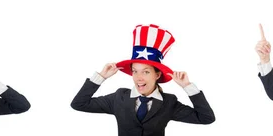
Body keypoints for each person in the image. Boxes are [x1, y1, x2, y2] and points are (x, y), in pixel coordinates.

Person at [71, 24, 215, 136]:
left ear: (157, 75)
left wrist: (187, 86)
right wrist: (101, 77)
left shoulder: (169, 103)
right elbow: (79, 104)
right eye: (135, 71)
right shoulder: (119, 97)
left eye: (146, 72)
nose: (139, 77)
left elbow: (206, 118)